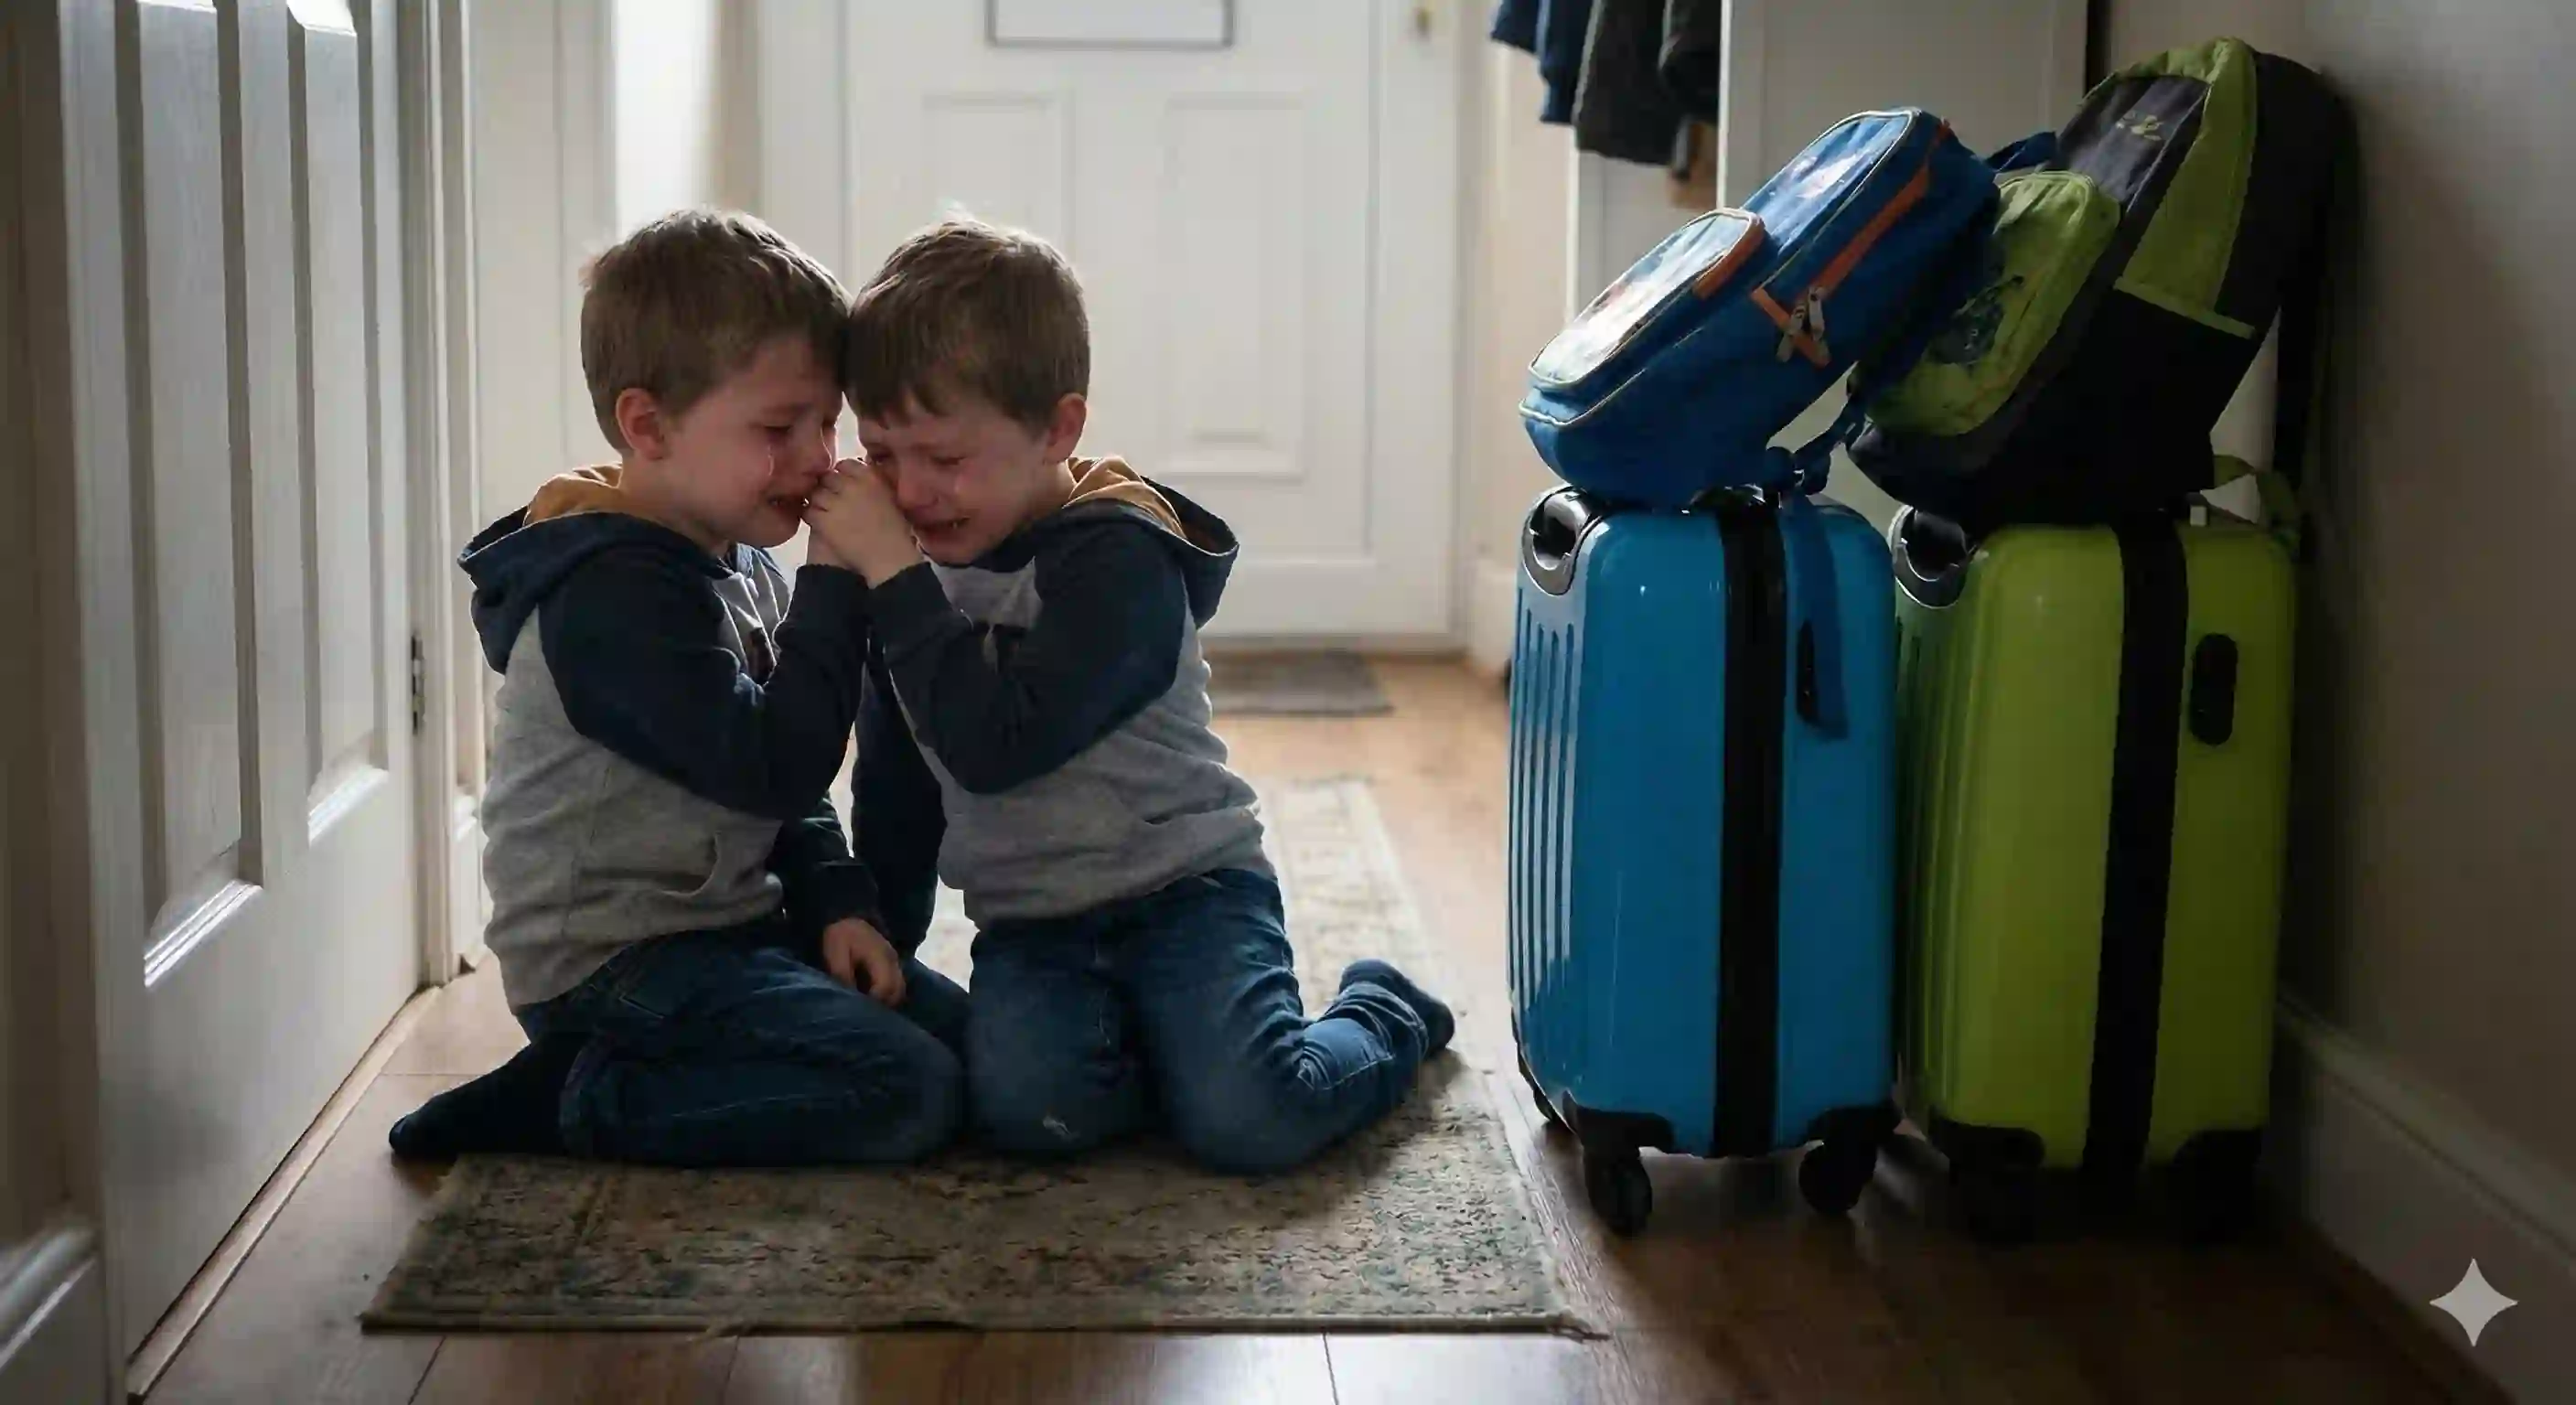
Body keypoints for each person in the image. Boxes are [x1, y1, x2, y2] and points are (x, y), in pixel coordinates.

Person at [808, 216, 1454, 1176]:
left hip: (1188, 894)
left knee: (1253, 1121)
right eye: (882, 454)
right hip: (1034, 923)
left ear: (1058, 429)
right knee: (1033, 1118)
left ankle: (1381, 1009)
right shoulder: (907, 574)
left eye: (943, 459)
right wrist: (882, 933)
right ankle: (1169, 1055)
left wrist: (893, 579)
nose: (909, 492)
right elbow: (900, 774)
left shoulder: (1118, 558)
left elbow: (998, 744)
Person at [388, 209, 963, 1167]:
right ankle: (577, 1093)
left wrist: (837, 904)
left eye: (826, 421)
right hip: (615, 963)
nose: (821, 457)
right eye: (781, 427)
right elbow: (771, 765)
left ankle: (645, 1071)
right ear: (646, 425)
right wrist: (834, 580)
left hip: (729, 926)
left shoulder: (737, 557)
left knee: (968, 1052)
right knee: (909, 1091)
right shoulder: (608, 599)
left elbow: (787, 794)